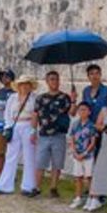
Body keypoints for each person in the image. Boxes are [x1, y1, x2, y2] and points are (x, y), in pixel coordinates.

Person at [0, 75, 39, 196]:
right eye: (22, 84)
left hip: (28, 126)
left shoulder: (34, 98)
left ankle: (28, 186)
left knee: (29, 156)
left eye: (26, 84)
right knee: (11, 155)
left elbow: (36, 115)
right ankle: (5, 185)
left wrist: (34, 130)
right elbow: (7, 113)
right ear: (18, 86)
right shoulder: (12, 98)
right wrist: (8, 127)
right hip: (15, 125)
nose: (24, 86)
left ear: (30, 86)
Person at [35, 70, 73, 199]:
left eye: (56, 79)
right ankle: (37, 187)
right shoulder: (40, 98)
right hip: (44, 134)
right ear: (47, 81)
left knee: (57, 163)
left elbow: (72, 113)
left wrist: (73, 101)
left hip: (59, 134)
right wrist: (32, 131)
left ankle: (53, 188)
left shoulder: (65, 97)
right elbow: (35, 115)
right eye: (51, 79)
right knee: (40, 162)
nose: (54, 82)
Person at [68, 101, 99, 209]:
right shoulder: (75, 124)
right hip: (77, 154)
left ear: (89, 112)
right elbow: (71, 138)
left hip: (88, 155)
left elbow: (93, 141)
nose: (82, 112)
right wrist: (74, 152)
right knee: (78, 177)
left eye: (85, 110)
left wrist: (85, 153)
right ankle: (78, 197)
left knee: (89, 177)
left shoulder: (91, 125)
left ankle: (92, 198)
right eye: (80, 109)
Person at [0, 69, 16, 176]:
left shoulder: (16, 93)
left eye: (7, 76)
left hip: (12, 124)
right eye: (3, 76)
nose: (5, 78)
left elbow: (14, 108)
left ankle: (10, 174)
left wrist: (1, 106)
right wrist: (4, 106)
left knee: (11, 152)